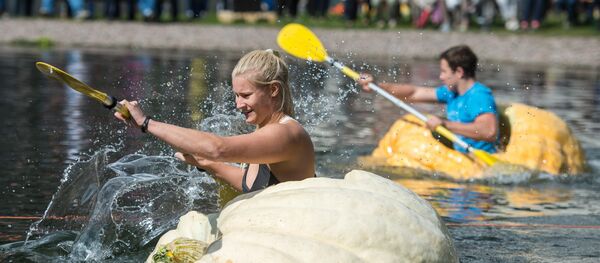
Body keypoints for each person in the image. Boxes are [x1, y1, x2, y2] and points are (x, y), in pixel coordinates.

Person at [115, 49, 316, 193]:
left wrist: (146, 123)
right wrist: (206, 163)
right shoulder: (264, 130)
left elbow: (218, 148)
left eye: (245, 95)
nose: (238, 105)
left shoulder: (284, 134)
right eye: (236, 95)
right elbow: (249, 183)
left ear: (273, 90)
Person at [358, 45, 498, 154]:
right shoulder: (451, 93)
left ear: (459, 72)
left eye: (444, 71)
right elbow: (414, 93)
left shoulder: (479, 96)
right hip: (461, 157)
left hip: (479, 160)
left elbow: (489, 131)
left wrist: (444, 124)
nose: (441, 77)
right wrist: (377, 86)